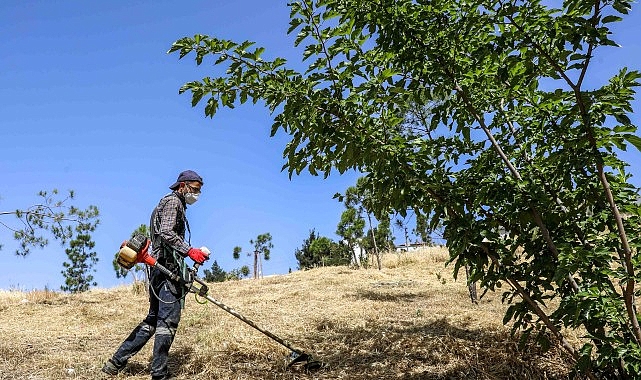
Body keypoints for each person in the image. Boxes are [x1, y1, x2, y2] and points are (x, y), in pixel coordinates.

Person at [102, 170, 210, 380]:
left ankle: (114, 363)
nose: (196, 195)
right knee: (167, 322)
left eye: (199, 191)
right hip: (165, 270)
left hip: (160, 268)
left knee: (152, 320)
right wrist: (190, 251)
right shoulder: (173, 202)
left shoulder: (173, 203)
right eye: (195, 190)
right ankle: (159, 374)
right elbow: (167, 233)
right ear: (182, 186)